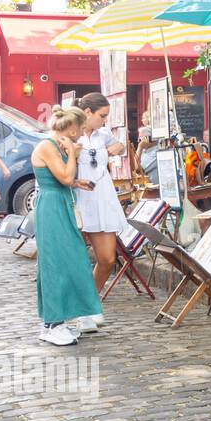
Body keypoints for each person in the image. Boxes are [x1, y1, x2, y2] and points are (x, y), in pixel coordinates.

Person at [31, 106, 101, 345]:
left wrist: (77, 182)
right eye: (81, 129)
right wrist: (72, 154)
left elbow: (65, 180)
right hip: (51, 207)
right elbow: (64, 177)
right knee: (55, 263)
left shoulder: (53, 145)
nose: (82, 134)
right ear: (71, 129)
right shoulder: (47, 146)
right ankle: (52, 324)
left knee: (70, 259)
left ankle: (59, 320)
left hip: (59, 202)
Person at [74, 92, 129, 304]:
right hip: (79, 197)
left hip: (102, 197)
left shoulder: (102, 133)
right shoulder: (73, 135)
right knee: (76, 259)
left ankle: (90, 301)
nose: (105, 119)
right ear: (88, 112)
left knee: (107, 258)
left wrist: (109, 149)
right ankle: (78, 305)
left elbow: (120, 146)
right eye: (102, 115)